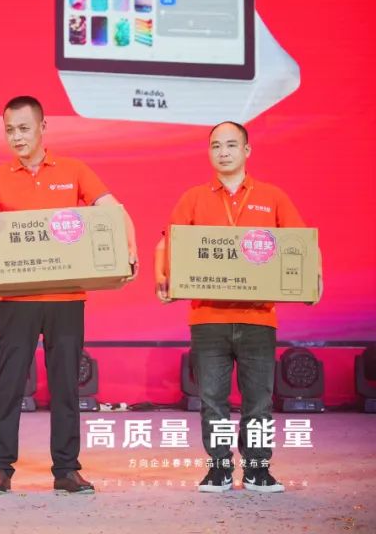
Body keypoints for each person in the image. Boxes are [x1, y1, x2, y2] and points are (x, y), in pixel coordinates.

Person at [0, 96, 137, 495]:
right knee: (7, 385)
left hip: (66, 298)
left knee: (66, 387)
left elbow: (113, 210)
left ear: (43, 127)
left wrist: (129, 247)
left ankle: (66, 469)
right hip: (16, 300)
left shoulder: (74, 171)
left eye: (24, 128)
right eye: (9, 130)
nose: (17, 137)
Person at [157, 121, 317, 494]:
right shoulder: (193, 198)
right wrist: (161, 277)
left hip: (258, 317)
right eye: (216, 145)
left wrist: (312, 280)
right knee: (212, 400)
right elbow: (169, 243)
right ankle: (219, 468)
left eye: (231, 145)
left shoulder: (272, 197)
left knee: (258, 401)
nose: (223, 152)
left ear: (247, 151)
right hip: (208, 317)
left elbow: (301, 244)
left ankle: (258, 468)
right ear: (209, 152)